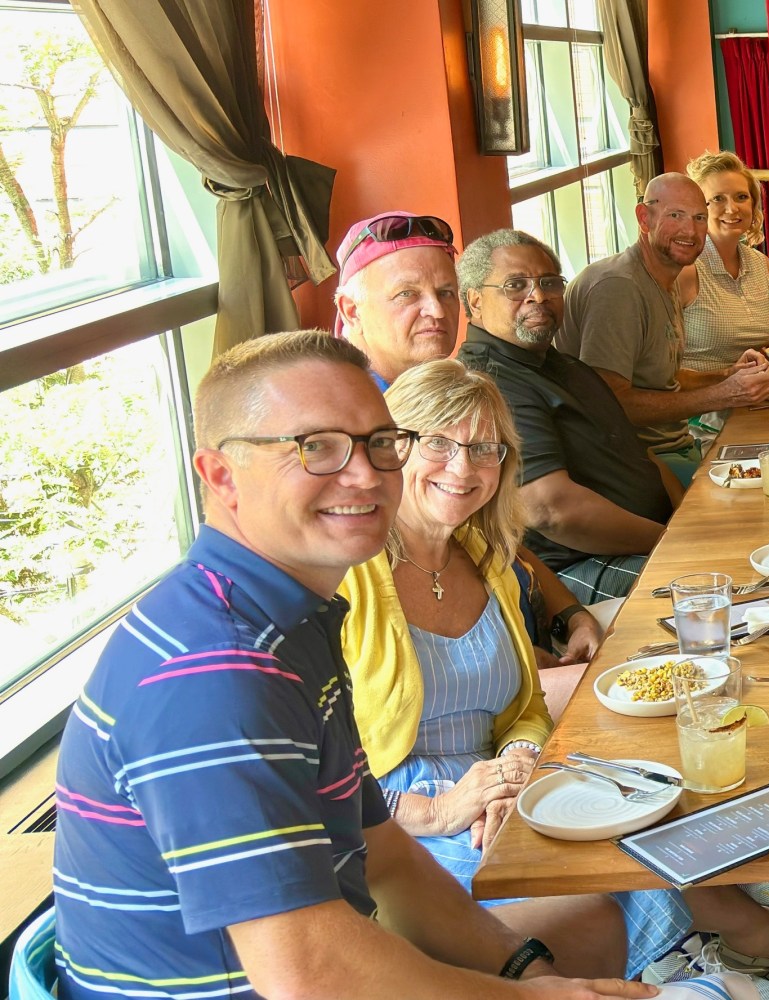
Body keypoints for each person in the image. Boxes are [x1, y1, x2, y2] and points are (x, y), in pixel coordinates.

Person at [49, 330, 660, 1000]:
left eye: (379, 443)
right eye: (316, 448)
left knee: (588, 933)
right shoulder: (215, 671)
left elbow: (388, 859)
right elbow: (307, 973)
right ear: (221, 476)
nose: (366, 475)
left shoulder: (298, 619)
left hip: (334, 945)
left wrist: (527, 971)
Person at [339, 360, 769, 986]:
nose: (462, 467)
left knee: (644, 789)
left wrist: (517, 762)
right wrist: (431, 812)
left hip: (492, 786)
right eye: (437, 442)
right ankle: (728, 942)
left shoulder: (484, 556)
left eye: (483, 448)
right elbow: (305, 779)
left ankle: (734, 927)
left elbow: (522, 710)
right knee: (601, 853)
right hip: (394, 824)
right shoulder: (346, 581)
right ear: (392, 449)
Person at [457, 229, 679, 605]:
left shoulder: (563, 366)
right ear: (475, 301)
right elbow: (550, 510)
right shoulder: (490, 383)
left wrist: (690, 518)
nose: (538, 296)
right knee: (721, 579)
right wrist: (674, 538)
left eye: (549, 283)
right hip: (579, 569)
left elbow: (643, 458)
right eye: (515, 285)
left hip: (649, 540)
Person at [561, 173, 769, 486]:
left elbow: (663, 379)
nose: (689, 230)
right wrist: (720, 395)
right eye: (675, 215)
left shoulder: (665, 276)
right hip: (632, 465)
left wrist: (725, 376)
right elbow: (609, 403)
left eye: (699, 217)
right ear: (643, 218)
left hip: (679, 446)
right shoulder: (618, 288)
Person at [677, 150, 769, 371]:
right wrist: (725, 376)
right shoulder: (686, 269)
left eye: (741, 197)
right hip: (702, 399)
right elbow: (660, 370)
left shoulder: (762, 265)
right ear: (696, 209)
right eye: (717, 199)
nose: (732, 209)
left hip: (756, 395)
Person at [335, 210, 462, 388]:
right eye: (406, 293)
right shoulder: (329, 406)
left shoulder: (458, 391)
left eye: (445, 293)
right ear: (352, 311)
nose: (437, 310)